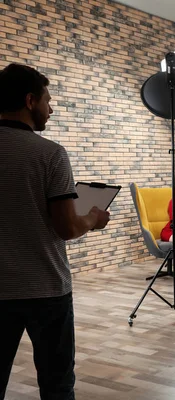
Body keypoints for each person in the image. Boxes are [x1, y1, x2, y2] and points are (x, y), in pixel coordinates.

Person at [0, 63, 110, 399]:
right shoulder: (49, 154)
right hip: (44, 288)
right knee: (57, 383)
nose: (51, 108)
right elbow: (66, 227)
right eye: (48, 100)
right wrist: (93, 217)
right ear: (30, 101)